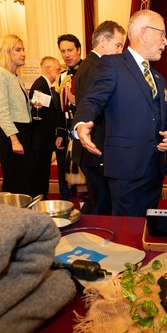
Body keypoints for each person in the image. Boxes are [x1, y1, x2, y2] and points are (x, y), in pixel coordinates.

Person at [73, 9, 167, 217]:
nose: (166, 42)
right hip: (126, 170)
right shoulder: (112, 64)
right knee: (126, 229)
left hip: (154, 171)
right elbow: (93, 99)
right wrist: (81, 123)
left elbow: (162, 118)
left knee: (147, 226)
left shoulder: (158, 78)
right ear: (145, 33)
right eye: (162, 34)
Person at [73, 20, 126, 215]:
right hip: (96, 148)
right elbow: (95, 108)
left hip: (94, 149)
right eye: (118, 45)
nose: (120, 51)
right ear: (103, 41)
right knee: (102, 207)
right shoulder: (96, 67)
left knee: (98, 202)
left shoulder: (91, 64)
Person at [0, 34, 35, 197]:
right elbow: (1, 111)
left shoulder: (15, 76)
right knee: (15, 179)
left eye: (23, 50)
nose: (23, 54)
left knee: (25, 178)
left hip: (22, 130)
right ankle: (13, 212)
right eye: (18, 50)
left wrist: (31, 104)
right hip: (11, 133)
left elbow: (16, 106)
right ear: (6, 52)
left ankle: (25, 211)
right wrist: (14, 139)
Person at [28, 56, 63, 199]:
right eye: (58, 69)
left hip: (43, 138)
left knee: (43, 171)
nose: (59, 72)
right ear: (48, 69)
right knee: (40, 171)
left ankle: (41, 195)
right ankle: (39, 197)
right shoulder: (41, 85)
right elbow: (38, 112)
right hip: (40, 139)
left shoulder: (45, 85)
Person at [54, 34, 83, 201]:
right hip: (68, 129)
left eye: (70, 50)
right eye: (63, 51)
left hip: (84, 129)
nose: (66, 55)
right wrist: (59, 132)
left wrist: (77, 101)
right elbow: (59, 108)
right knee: (67, 171)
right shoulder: (62, 76)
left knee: (84, 175)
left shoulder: (88, 71)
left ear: (78, 50)